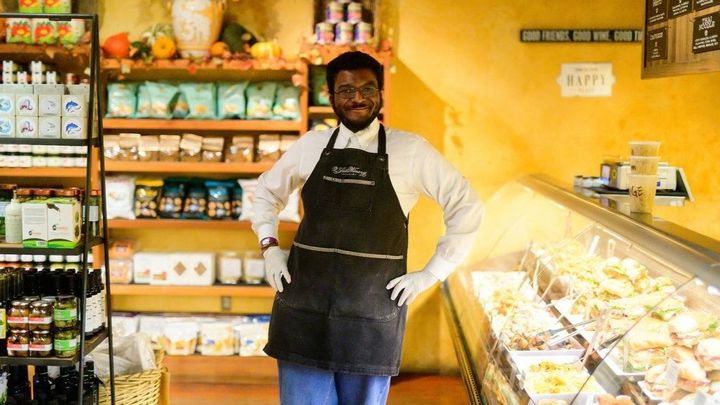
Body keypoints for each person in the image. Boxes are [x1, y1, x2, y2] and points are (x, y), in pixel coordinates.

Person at [252, 50, 483, 405]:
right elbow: (266, 193)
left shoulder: (411, 151)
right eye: (346, 90)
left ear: (380, 94)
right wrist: (269, 248)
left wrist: (432, 273)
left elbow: (466, 204)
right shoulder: (311, 146)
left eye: (367, 89)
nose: (357, 98)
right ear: (330, 97)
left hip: (372, 314)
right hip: (304, 307)